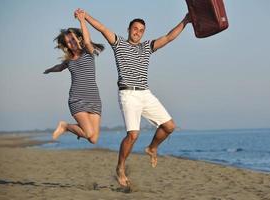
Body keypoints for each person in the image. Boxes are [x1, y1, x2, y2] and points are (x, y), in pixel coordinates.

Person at [77, 8, 191, 186]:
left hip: (145, 93)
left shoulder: (147, 47)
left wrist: (186, 20)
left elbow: (168, 37)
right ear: (129, 29)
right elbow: (102, 28)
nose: (138, 32)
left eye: (141, 30)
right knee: (133, 135)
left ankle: (152, 148)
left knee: (169, 126)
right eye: (135, 28)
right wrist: (84, 18)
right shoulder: (119, 44)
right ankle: (120, 167)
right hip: (128, 94)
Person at [44, 10, 104, 144]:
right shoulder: (69, 60)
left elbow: (88, 40)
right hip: (77, 99)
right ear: (66, 46)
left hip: (94, 99)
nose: (71, 42)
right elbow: (59, 68)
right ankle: (65, 126)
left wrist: (82, 20)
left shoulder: (88, 51)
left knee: (93, 139)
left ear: (79, 38)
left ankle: (71, 129)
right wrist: (49, 70)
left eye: (72, 39)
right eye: (68, 42)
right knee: (88, 133)